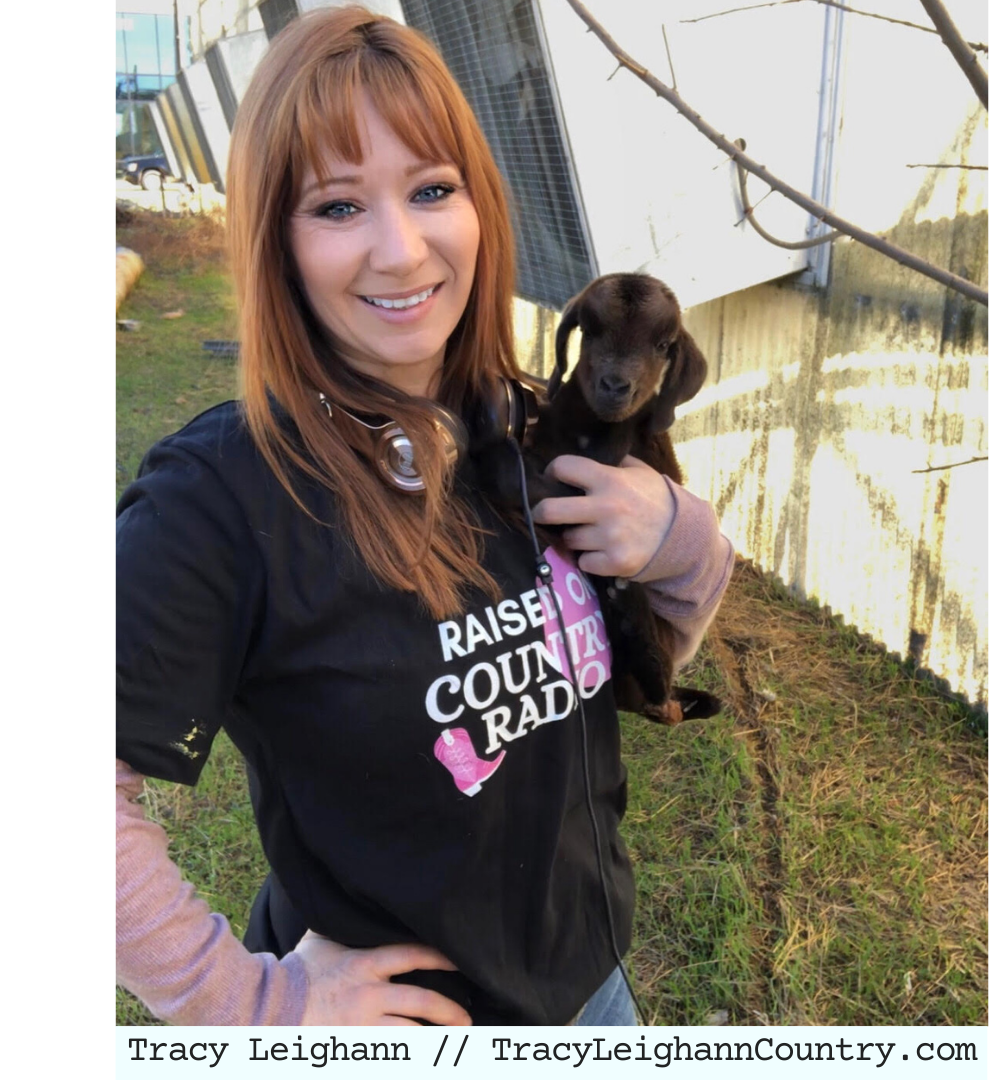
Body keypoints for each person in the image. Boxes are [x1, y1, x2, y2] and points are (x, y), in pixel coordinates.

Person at [116, 5, 734, 1027]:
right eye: (338, 205)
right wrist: (251, 1007)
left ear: (481, 207)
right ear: (275, 238)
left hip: (593, 988)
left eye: (432, 189)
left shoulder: (530, 434)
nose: (403, 252)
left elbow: (634, 645)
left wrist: (682, 539)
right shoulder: (218, 499)